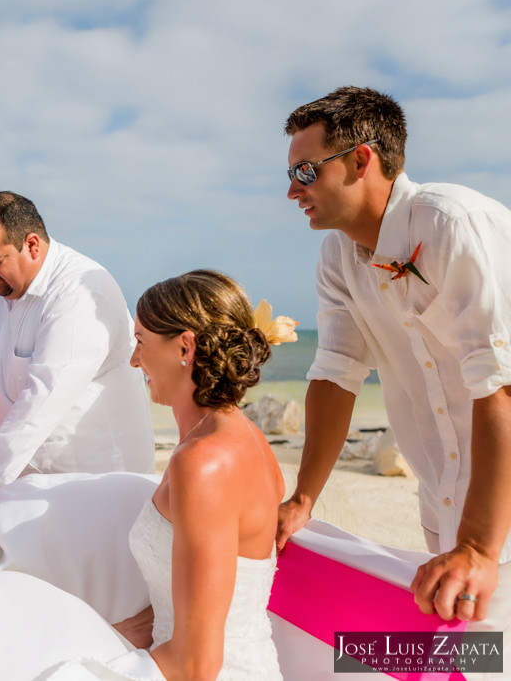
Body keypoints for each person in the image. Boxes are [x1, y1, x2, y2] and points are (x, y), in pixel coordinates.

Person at [277, 86, 511, 633]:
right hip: (443, 504)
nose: (292, 190)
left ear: (362, 159)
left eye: (306, 171)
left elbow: (499, 382)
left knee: (486, 661)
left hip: (496, 514)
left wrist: (478, 545)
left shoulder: (454, 224)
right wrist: (303, 498)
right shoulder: (336, 257)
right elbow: (336, 373)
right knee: (461, 659)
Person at [108, 270, 288, 679]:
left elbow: (197, 665)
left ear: (185, 346)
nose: (135, 360)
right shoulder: (243, 439)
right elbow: (193, 598)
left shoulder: (204, 463)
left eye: (140, 342)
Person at [0, 191, 155, 505]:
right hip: (28, 477)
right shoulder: (6, 288)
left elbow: (44, 396)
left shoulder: (80, 292)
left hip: (93, 478)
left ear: (32, 245)